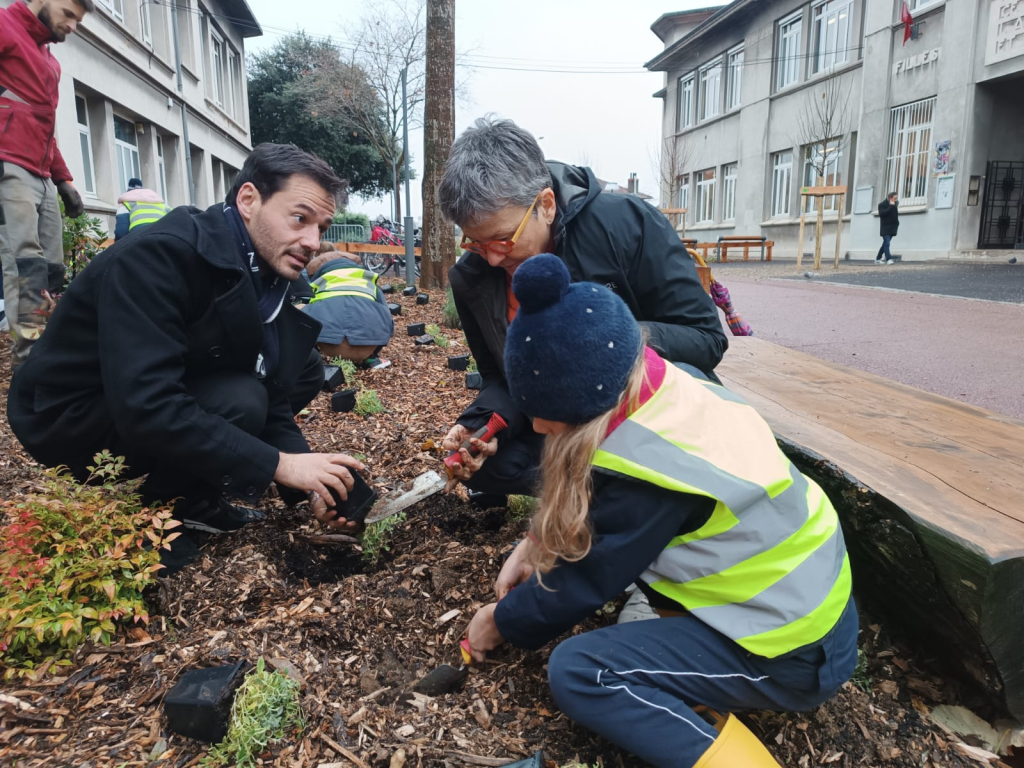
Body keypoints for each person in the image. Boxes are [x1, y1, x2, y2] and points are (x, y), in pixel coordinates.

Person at [465, 254, 858, 768]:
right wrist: (535, 543)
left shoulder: (646, 481)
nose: (537, 428)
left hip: (789, 652)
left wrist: (502, 620)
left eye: (545, 415)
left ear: (586, 405)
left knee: (581, 671)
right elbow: (602, 508)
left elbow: (587, 577)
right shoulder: (663, 385)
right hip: (801, 610)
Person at [7, 143, 366, 571]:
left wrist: (310, 488)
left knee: (301, 368)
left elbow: (270, 383)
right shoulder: (161, 258)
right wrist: (278, 464)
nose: (312, 241)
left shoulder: (263, 269)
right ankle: (156, 518)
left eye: (321, 227)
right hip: (70, 413)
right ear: (249, 200)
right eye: (299, 218)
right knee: (240, 399)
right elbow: (147, 404)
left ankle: (195, 497)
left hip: (137, 397)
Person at [438, 117, 727, 501]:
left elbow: (705, 339)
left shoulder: (625, 225)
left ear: (546, 204)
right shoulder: (472, 277)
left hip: (642, 408)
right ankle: (601, 493)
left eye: (503, 240)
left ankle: (641, 492)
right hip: (565, 424)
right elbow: (504, 378)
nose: (491, 259)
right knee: (493, 465)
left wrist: (606, 341)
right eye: (474, 242)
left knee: (689, 385)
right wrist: (482, 427)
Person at [1, 0, 92, 369]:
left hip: (41, 175)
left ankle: (44, 347)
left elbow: (45, 130)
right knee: (26, 266)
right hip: (9, 168)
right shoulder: (5, 29)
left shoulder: (49, 61)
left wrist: (63, 178)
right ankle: (29, 365)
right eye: (68, 14)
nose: (73, 26)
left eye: (78, 20)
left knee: (53, 270)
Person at [301, 246, 395, 362]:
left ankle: (309, 356)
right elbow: (387, 317)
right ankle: (371, 358)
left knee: (301, 309)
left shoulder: (319, 283)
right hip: (367, 347)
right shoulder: (368, 282)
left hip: (330, 346)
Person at [876, 192, 899, 265]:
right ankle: (888, 259)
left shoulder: (895, 204)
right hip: (885, 227)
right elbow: (882, 214)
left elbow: (895, 215)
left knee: (885, 244)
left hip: (892, 227)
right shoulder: (882, 205)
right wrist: (891, 206)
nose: (896, 200)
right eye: (895, 198)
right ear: (890, 198)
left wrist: (897, 223)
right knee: (887, 243)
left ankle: (878, 258)